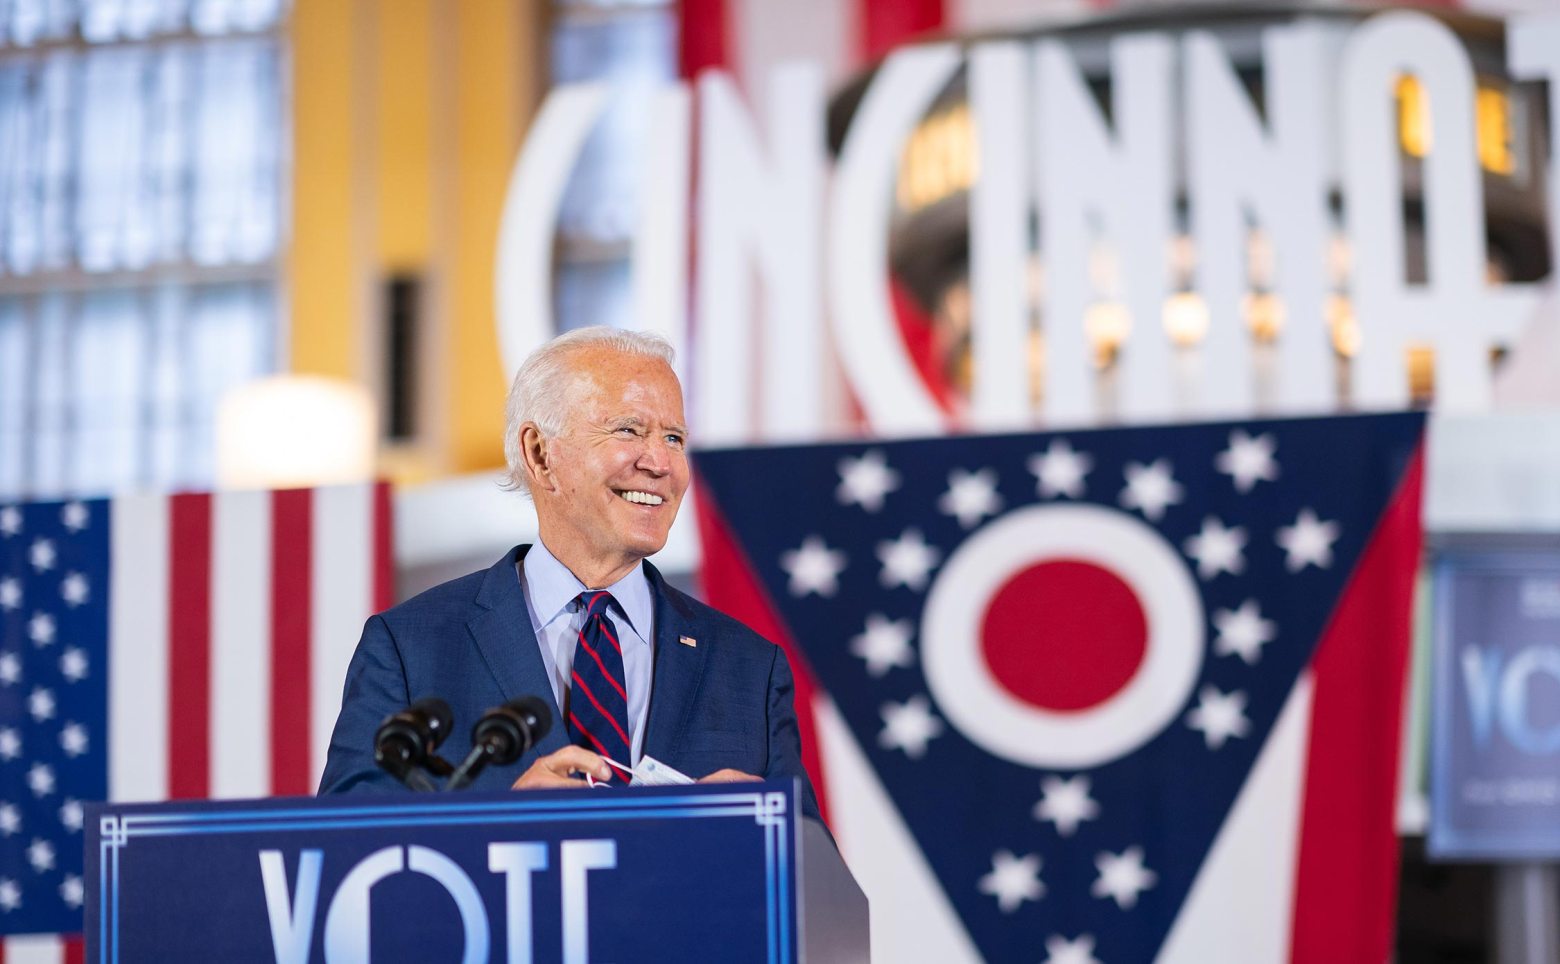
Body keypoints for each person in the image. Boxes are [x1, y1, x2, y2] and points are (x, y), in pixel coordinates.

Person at [318, 326, 821, 821]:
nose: (662, 462)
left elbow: (816, 889)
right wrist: (496, 824)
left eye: (674, 437)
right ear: (540, 454)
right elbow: (345, 863)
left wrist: (760, 841)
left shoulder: (749, 668)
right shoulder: (410, 648)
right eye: (629, 429)